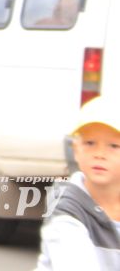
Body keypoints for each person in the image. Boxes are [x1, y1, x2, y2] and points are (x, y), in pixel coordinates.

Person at [36, 96, 120, 270]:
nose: (99, 154)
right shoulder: (66, 207)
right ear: (75, 150)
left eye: (113, 146)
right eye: (90, 143)